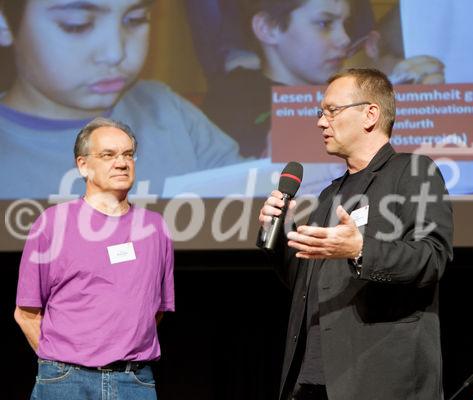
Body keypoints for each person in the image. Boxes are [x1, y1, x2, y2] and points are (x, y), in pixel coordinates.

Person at [257, 68, 453, 399]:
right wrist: (280, 233)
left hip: (380, 378)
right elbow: (308, 282)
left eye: (331, 111)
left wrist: (361, 249)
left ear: (370, 114)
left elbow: (432, 258)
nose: (321, 122)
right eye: (320, 113)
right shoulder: (330, 195)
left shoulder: (413, 172)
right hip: (314, 379)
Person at [0, 0, 243, 199]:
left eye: (135, 19)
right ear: (4, 23)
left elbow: (250, 199)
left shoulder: (165, 110)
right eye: (77, 26)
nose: (116, 52)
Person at [14, 118, 174, 400]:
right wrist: (62, 362)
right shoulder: (52, 224)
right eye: (108, 155)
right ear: (83, 165)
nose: (122, 163)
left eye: (127, 154)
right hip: (65, 381)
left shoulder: (155, 228)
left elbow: (152, 312)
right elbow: (26, 313)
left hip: (134, 382)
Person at [201, 0, 445, 158]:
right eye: (324, 23)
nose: (344, 39)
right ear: (268, 28)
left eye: (345, 24)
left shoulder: (348, 92)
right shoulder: (232, 102)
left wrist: (417, 103)